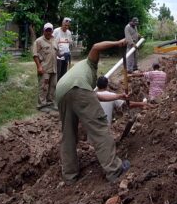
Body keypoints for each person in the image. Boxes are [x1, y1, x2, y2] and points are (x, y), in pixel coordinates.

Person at [55, 38, 131, 183]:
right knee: (99, 127)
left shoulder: (79, 72)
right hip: (77, 88)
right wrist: (118, 43)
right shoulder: (90, 63)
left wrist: (119, 96)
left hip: (61, 92)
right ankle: (115, 170)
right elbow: (96, 46)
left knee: (68, 134)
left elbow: (95, 96)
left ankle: (69, 176)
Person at [33, 22, 58, 110]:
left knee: (53, 86)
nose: (48, 32)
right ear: (44, 30)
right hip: (44, 68)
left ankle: (50, 103)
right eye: (46, 30)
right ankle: (41, 105)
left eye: (50, 30)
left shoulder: (54, 40)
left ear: (52, 31)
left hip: (54, 68)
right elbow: (35, 55)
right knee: (44, 87)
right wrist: (39, 67)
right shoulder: (38, 41)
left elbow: (56, 52)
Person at [53, 17, 74, 81]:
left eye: (68, 25)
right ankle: (56, 85)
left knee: (64, 72)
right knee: (58, 72)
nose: (66, 27)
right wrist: (57, 52)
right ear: (62, 24)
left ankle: (61, 85)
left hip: (66, 54)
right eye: (65, 25)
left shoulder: (69, 33)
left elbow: (70, 42)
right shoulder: (56, 31)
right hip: (58, 55)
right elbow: (52, 41)